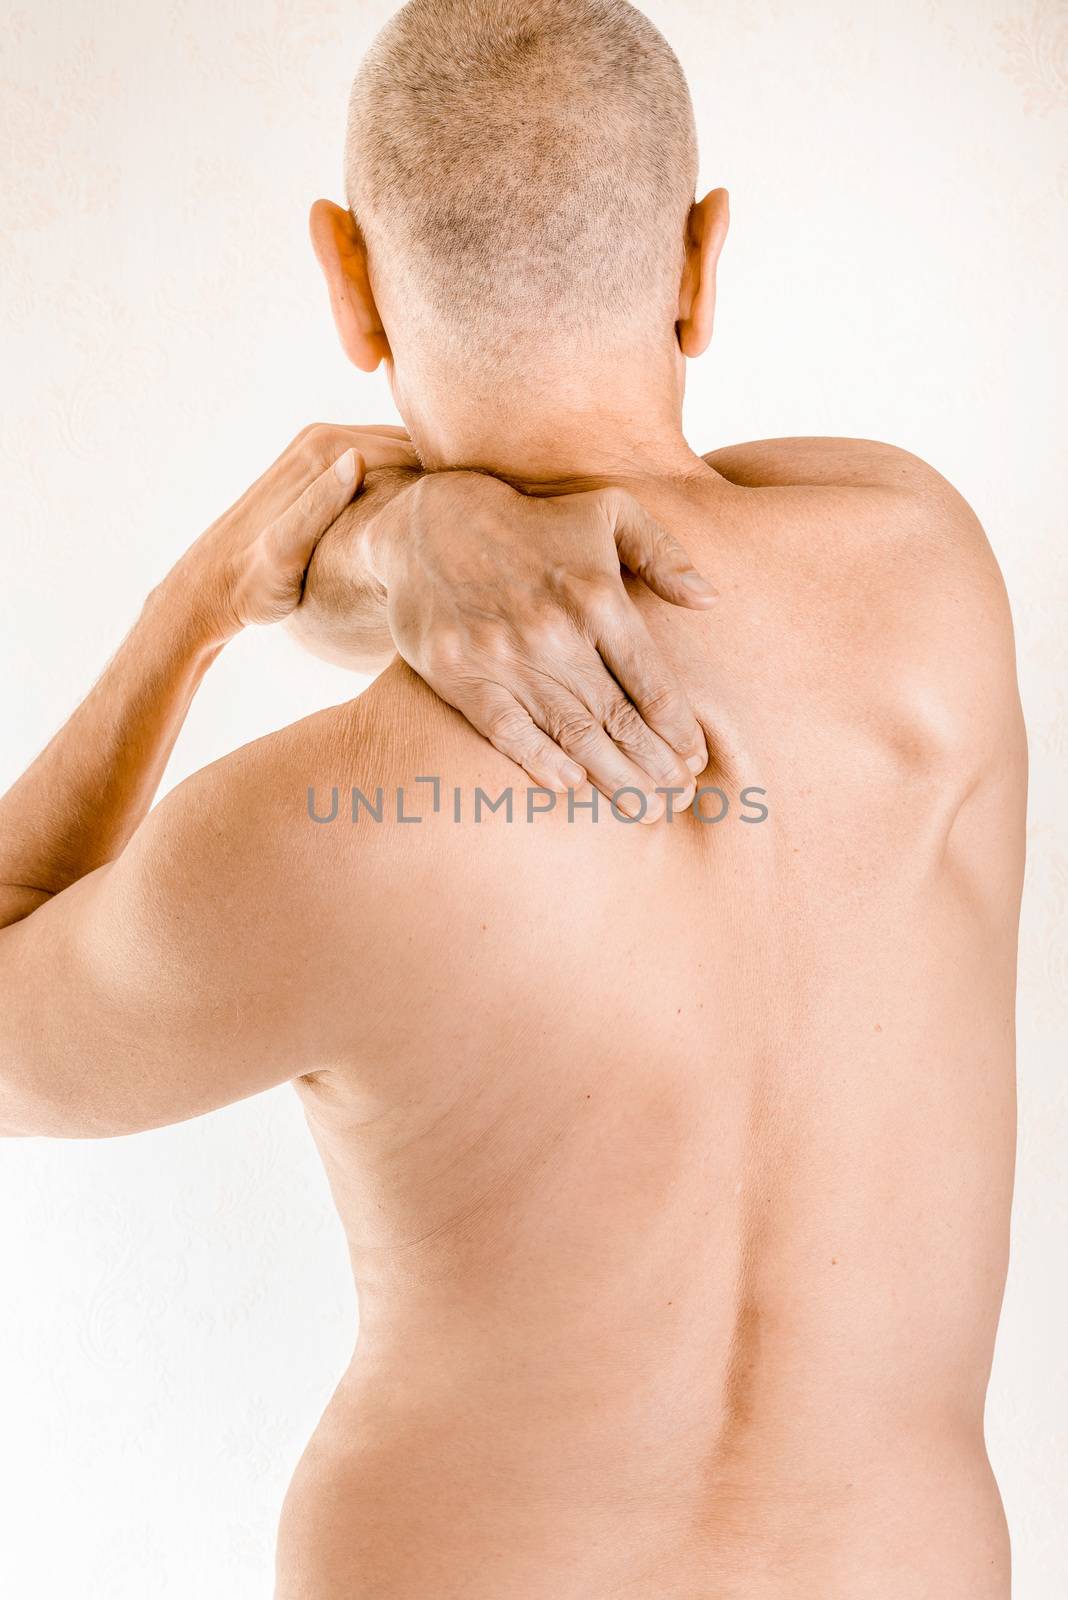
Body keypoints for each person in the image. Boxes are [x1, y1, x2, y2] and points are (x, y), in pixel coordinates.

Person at [0, 2, 1027, 1597]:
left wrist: (206, 598)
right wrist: (414, 539)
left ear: (347, 281)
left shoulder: (303, 836)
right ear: (701, 263)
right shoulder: (927, 578)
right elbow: (647, 544)